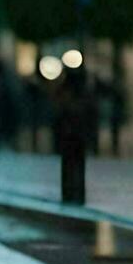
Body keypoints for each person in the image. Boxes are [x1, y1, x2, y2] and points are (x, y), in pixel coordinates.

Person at [53, 66, 96, 205]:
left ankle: (69, 193)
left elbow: (58, 117)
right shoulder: (84, 95)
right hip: (77, 137)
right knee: (77, 165)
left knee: (69, 166)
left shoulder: (66, 95)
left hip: (70, 136)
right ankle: (77, 193)